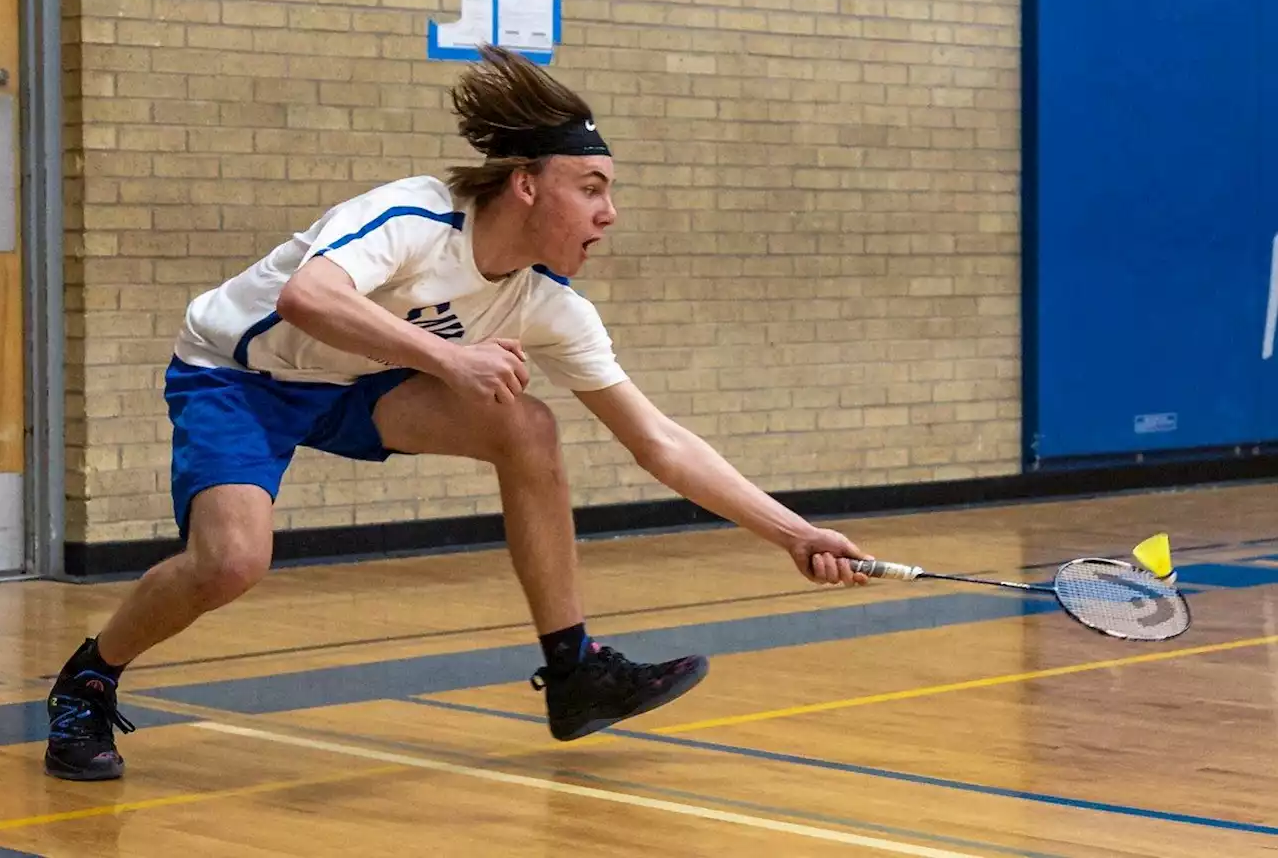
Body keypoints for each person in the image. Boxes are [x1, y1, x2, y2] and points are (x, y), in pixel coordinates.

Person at [45, 44, 872, 781]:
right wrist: (449, 358)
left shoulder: (549, 303)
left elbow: (657, 441)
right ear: (525, 183)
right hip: (238, 374)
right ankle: (90, 676)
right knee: (230, 564)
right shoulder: (412, 218)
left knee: (529, 426)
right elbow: (308, 297)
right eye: (591, 189)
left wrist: (793, 533)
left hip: (357, 382)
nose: (608, 213)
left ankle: (573, 668)